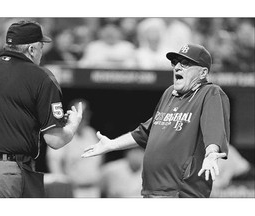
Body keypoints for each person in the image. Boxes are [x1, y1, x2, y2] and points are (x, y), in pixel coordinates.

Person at [82, 44, 230, 198]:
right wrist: (113, 144)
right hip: (152, 190)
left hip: (181, 192)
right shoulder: (170, 94)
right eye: (175, 63)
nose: (177, 67)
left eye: (185, 64)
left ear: (203, 72)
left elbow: (214, 127)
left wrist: (212, 153)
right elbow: (146, 132)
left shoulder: (210, 93)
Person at [0, 20, 82, 198]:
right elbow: (55, 140)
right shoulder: (41, 76)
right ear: (32, 49)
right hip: (4, 173)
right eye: (41, 47)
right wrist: (73, 125)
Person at [46, 99, 102, 198]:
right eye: (80, 113)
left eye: (85, 113)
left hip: (93, 189)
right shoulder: (63, 133)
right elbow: (54, 162)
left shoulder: (91, 133)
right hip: (74, 190)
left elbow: (99, 161)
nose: (83, 117)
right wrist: (62, 188)